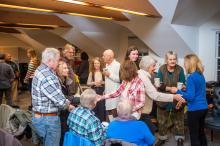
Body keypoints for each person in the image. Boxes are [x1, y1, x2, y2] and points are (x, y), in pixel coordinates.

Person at [32, 48, 74, 146]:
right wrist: (69, 105)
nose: (58, 62)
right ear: (50, 60)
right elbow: (61, 103)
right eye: (58, 60)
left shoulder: (40, 70)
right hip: (48, 120)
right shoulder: (48, 76)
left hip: (41, 117)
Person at [138, 56, 185, 134]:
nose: (155, 68)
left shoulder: (141, 74)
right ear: (147, 67)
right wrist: (173, 96)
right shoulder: (144, 77)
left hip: (142, 111)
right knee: (149, 133)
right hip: (142, 111)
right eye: (153, 66)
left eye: (174, 59)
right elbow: (155, 95)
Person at [172, 54, 208, 146]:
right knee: (201, 133)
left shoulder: (191, 77)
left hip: (195, 109)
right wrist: (186, 88)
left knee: (194, 136)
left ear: (189, 64)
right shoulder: (200, 75)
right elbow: (197, 92)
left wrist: (178, 91)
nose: (184, 65)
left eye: (185, 63)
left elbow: (191, 97)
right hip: (203, 108)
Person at [155, 51, 185, 146]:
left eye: (174, 59)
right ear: (166, 60)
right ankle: (162, 138)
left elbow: (183, 83)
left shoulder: (180, 69)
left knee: (179, 119)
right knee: (161, 119)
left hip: (177, 97)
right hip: (163, 97)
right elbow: (158, 84)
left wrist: (182, 87)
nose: (172, 61)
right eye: (170, 59)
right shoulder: (161, 69)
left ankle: (180, 138)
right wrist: (170, 89)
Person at [56, 60, 73, 146]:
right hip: (59, 113)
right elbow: (62, 97)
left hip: (65, 111)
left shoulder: (65, 80)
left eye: (67, 68)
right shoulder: (57, 82)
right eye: (64, 68)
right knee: (62, 135)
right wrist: (77, 99)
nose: (67, 70)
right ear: (58, 70)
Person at [102, 49, 121, 120]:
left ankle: (117, 127)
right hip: (108, 92)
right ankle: (113, 124)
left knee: (114, 111)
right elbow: (107, 80)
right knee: (109, 110)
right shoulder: (106, 64)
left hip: (115, 93)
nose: (102, 57)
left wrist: (109, 75)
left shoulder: (118, 65)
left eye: (104, 56)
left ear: (109, 57)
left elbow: (120, 79)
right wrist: (105, 90)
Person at [87, 57, 105, 122]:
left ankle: (101, 123)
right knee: (94, 108)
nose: (96, 65)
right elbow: (88, 83)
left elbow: (106, 82)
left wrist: (101, 82)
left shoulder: (103, 72)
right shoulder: (92, 73)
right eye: (95, 63)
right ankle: (94, 122)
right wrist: (94, 82)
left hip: (101, 91)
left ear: (100, 64)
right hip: (94, 91)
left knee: (101, 108)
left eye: (97, 63)